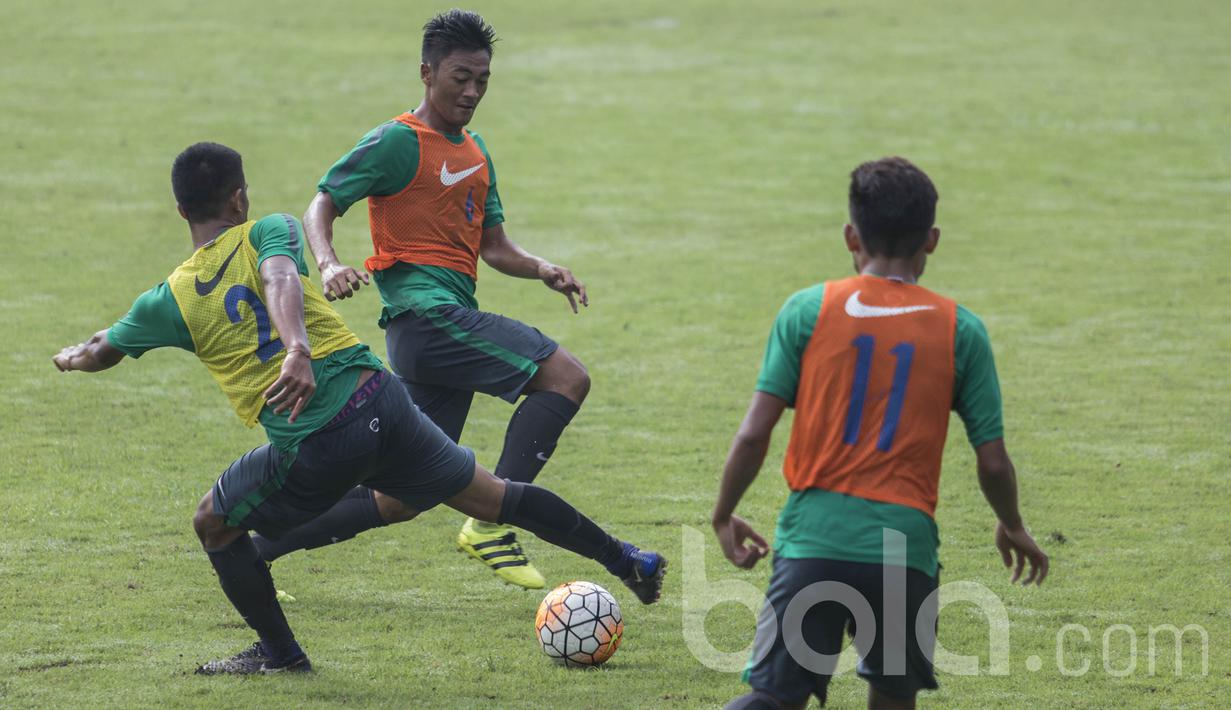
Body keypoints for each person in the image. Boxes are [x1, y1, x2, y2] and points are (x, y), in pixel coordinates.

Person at [52, 142, 665, 675]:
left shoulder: (168, 299)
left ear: (182, 209)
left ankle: (279, 655)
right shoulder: (270, 227)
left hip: (318, 437)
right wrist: (299, 343)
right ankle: (627, 559)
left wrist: (71, 356)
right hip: (381, 397)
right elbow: (279, 275)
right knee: (492, 497)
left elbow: (103, 350)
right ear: (239, 199)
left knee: (215, 521)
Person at [711, 157, 1049, 710]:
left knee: (773, 697)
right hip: (902, 548)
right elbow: (992, 463)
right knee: (892, 698)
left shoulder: (807, 310)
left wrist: (724, 512)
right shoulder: (961, 330)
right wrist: (1011, 523)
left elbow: (753, 435)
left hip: (814, 538)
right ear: (932, 240)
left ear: (851, 235)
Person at [296, 9, 589, 590]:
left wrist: (542, 268)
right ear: (427, 72)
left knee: (402, 493)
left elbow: (494, 246)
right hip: (427, 318)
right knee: (565, 377)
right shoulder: (397, 141)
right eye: (461, 77)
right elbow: (322, 203)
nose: (473, 91)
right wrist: (328, 263)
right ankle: (494, 523)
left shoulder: (476, 152)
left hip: (433, 335)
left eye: (482, 79)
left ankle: (260, 548)